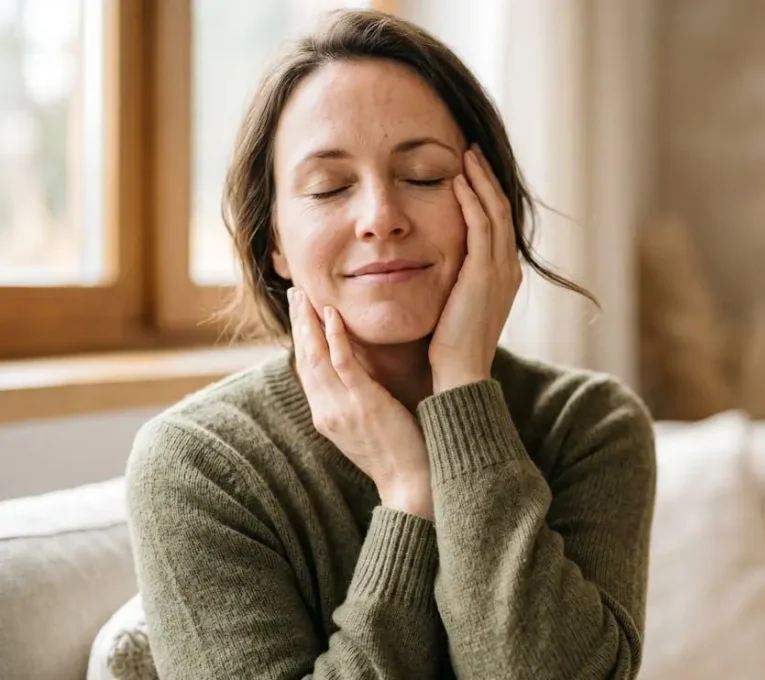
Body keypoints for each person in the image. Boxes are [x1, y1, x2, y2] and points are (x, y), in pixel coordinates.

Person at [125, 9, 656, 679]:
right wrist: (408, 498)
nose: (380, 217)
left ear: (491, 205)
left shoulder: (590, 424)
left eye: (425, 176)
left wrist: (462, 392)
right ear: (275, 241)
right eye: (329, 187)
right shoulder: (197, 466)